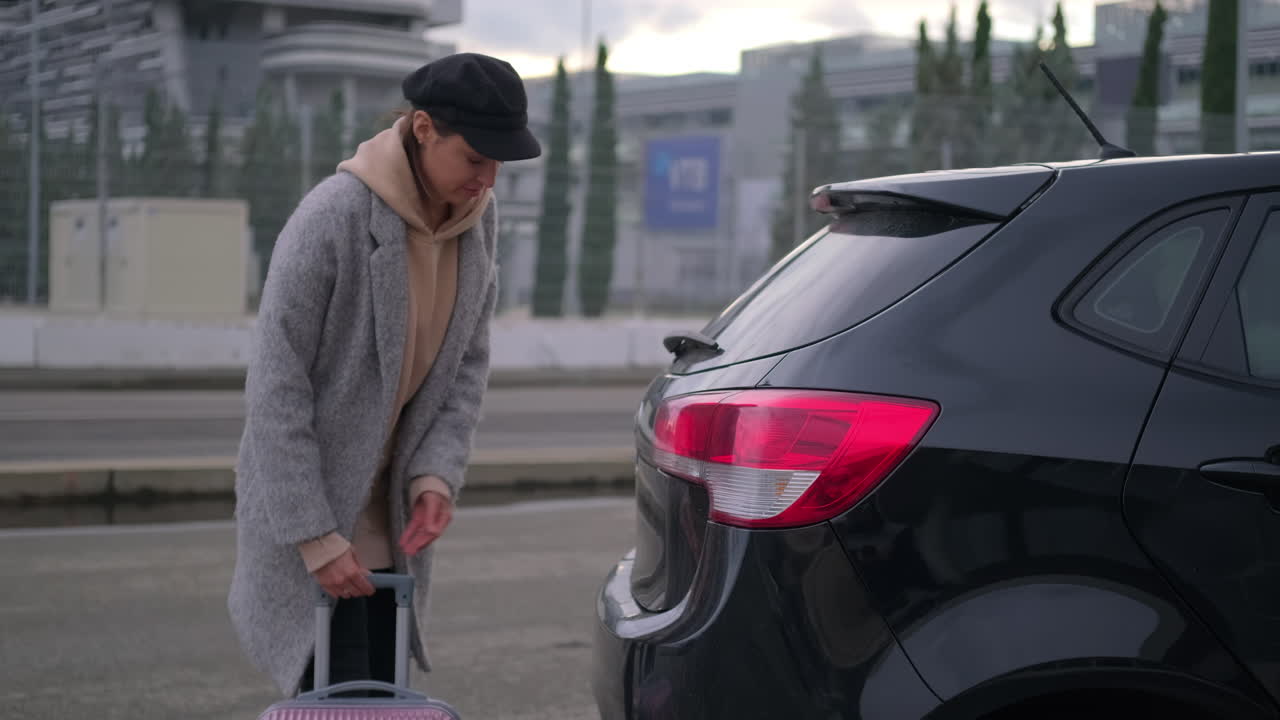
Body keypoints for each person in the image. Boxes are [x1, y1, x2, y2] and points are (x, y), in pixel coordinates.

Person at [227, 53, 541, 697]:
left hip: (390, 515)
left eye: (498, 165)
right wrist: (314, 536)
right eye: (475, 158)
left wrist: (435, 475)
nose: (486, 179)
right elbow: (276, 388)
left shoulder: (475, 223)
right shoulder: (333, 217)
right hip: (309, 507)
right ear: (423, 128)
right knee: (332, 697)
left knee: (381, 699)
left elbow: (464, 368)